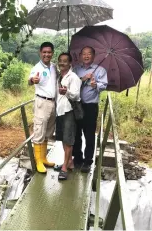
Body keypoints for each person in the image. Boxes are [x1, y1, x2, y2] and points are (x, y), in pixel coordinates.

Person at [73, 46, 108, 173]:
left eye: (89, 54)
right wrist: (83, 79)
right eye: (84, 54)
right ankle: (77, 158)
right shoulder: (76, 69)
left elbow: (104, 85)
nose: (86, 56)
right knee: (76, 133)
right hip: (76, 105)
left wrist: (96, 84)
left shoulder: (100, 70)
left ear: (93, 56)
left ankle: (88, 161)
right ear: (81, 55)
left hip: (90, 106)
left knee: (89, 134)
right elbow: (71, 83)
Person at [28, 42, 57, 173]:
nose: (47, 54)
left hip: (53, 103)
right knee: (39, 131)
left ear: (52, 53)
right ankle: (38, 161)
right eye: (44, 52)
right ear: (40, 53)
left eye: (49, 52)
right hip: (42, 102)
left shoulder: (53, 67)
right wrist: (32, 80)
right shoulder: (37, 68)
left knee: (48, 132)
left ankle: (44, 158)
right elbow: (30, 79)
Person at [55, 52, 81, 180]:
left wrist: (67, 92)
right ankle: (69, 162)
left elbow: (76, 95)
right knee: (63, 138)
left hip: (69, 111)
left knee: (69, 139)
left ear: (70, 63)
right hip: (60, 110)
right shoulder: (59, 77)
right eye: (60, 60)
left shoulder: (73, 77)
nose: (62, 63)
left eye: (65, 61)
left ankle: (64, 168)